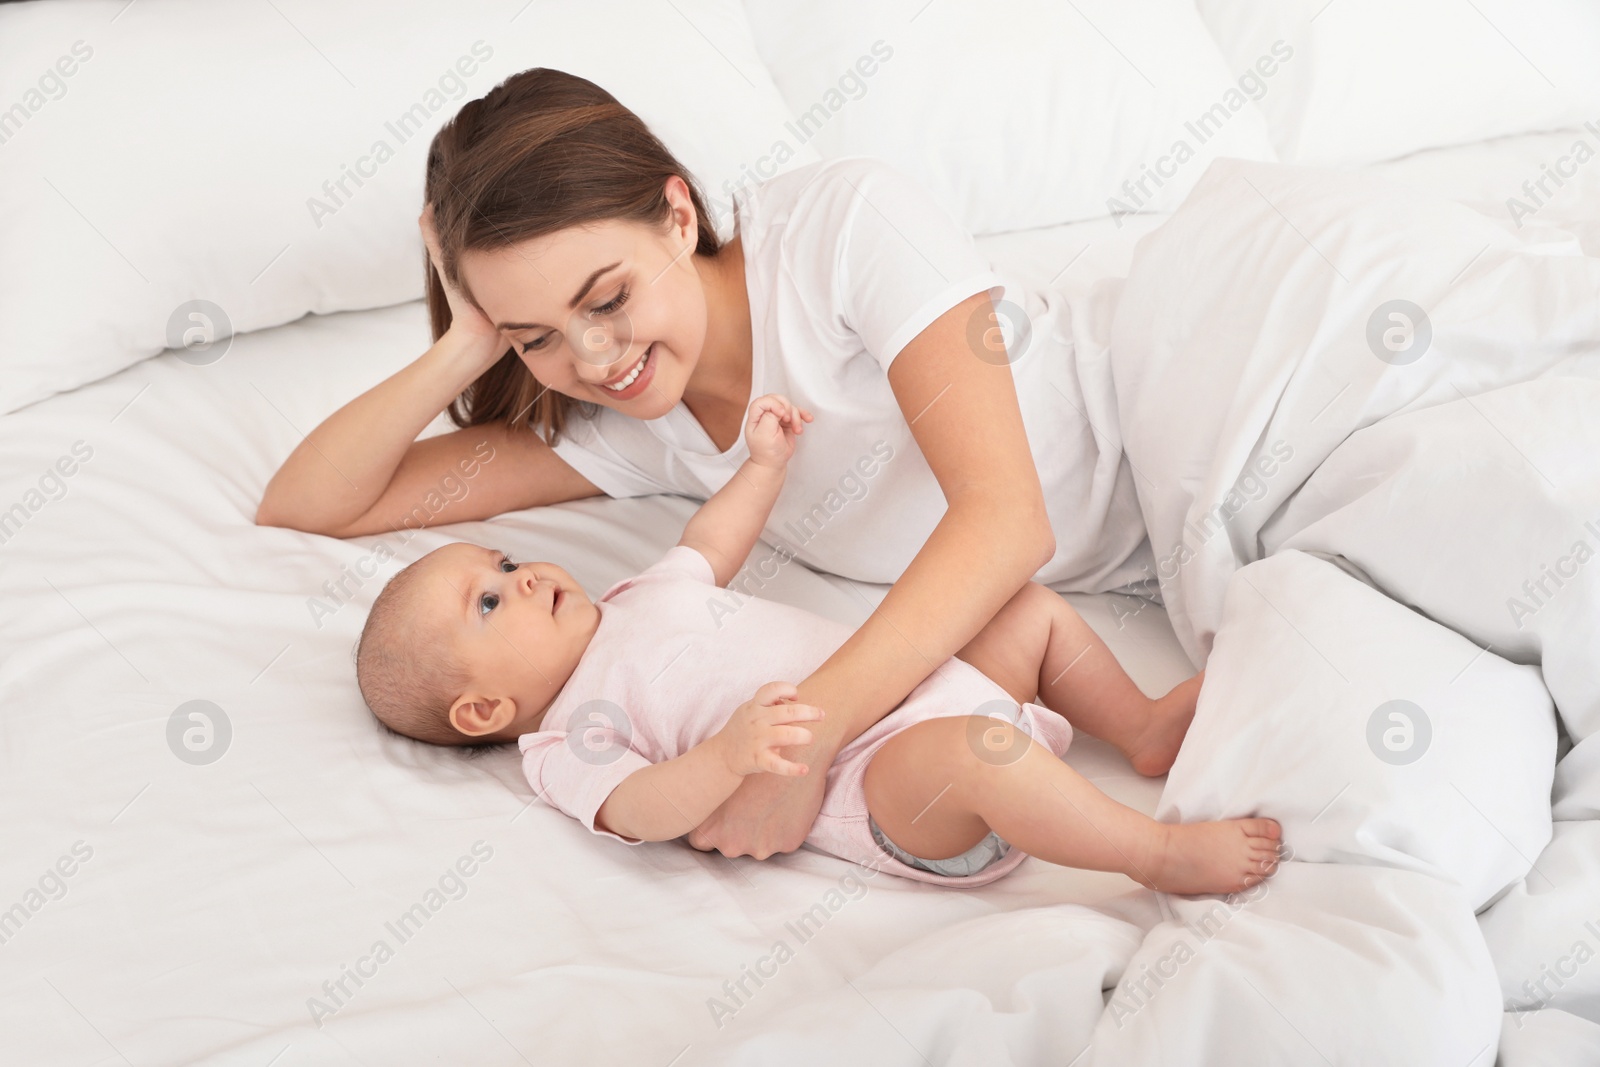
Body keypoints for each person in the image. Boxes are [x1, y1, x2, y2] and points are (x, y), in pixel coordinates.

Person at [256, 67, 1155, 860]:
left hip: (1175, 402)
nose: (598, 356)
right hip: (1147, 545)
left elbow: (1008, 521)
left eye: (607, 297)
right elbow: (311, 504)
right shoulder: (626, 420)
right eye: (537, 337)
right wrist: (466, 344)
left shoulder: (841, 231)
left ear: (678, 215)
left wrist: (807, 744)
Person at [354, 392, 1281, 892]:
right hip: (884, 787)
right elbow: (639, 807)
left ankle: (1142, 726)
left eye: (504, 561)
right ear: (483, 708)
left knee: (1021, 607)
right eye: (488, 604)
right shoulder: (563, 740)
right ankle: (1154, 857)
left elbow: (711, 542)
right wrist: (725, 758)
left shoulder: (638, 595)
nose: (520, 578)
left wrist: (762, 467)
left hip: (923, 682)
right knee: (980, 751)